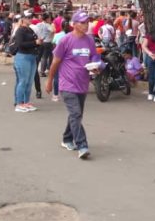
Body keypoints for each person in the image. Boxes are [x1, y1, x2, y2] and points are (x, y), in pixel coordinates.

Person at [46, 11, 102, 159]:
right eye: (82, 22)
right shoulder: (65, 41)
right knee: (76, 113)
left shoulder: (89, 40)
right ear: (74, 24)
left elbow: (94, 56)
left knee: (76, 115)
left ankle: (67, 138)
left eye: (87, 22)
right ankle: (82, 145)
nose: (86, 25)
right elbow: (55, 62)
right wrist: (50, 81)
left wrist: (96, 65)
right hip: (67, 84)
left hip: (82, 83)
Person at [13, 12, 40, 113]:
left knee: (29, 82)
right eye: (28, 17)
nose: (30, 19)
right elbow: (20, 44)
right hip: (23, 57)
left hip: (32, 56)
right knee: (23, 81)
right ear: (23, 18)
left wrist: (38, 43)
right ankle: (19, 103)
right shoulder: (20, 30)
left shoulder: (30, 29)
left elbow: (34, 42)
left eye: (31, 17)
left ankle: (26, 102)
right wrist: (35, 43)